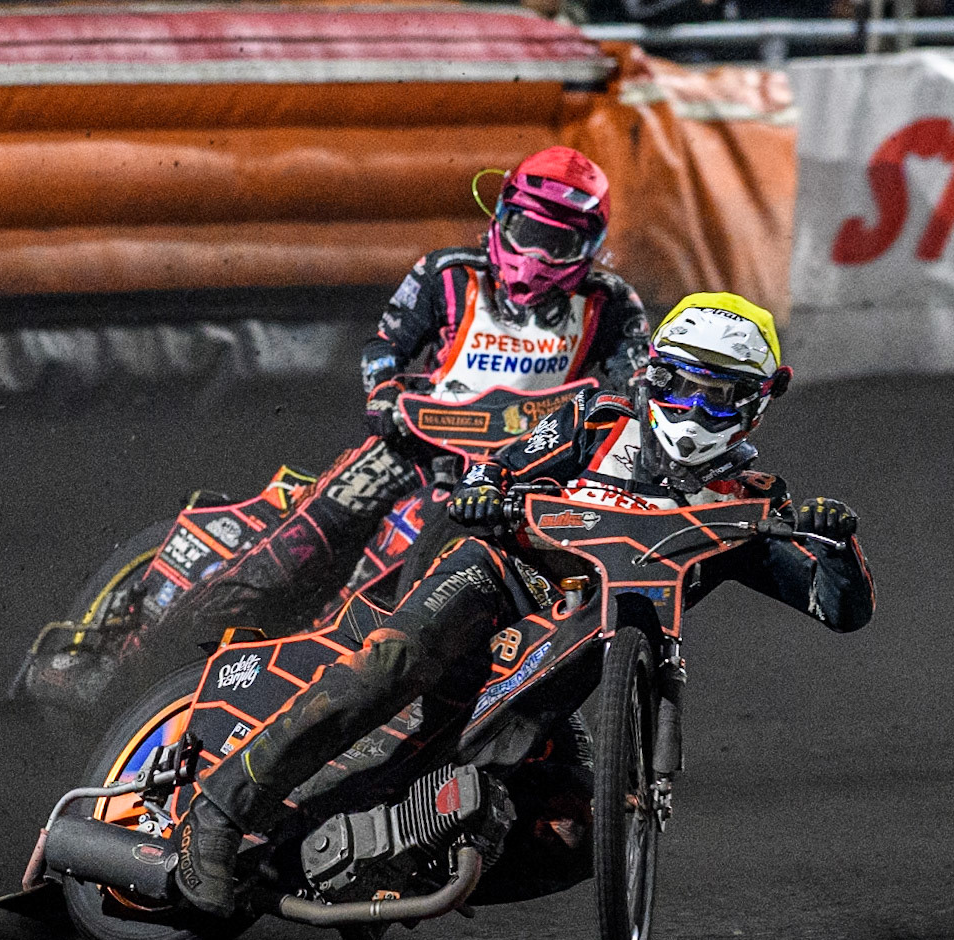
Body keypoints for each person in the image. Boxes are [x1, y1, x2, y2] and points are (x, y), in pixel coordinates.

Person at [170, 292, 875, 916]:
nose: (691, 413)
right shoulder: (594, 423)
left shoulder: (751, 504)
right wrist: (483, 488)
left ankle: (390, 876)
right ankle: (219, 811)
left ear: (755, 402)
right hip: (497, 580)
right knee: (396, 661)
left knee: (575, 834)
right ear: (652, 377)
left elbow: (839, 609)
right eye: (678, 387)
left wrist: (837, 546)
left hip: (566, 669)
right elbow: (496, 466)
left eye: (716, 398)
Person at [109, 146, 649, 699]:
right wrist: (385, 394)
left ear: (588, 250)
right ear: (500, 217)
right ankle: (133, 666)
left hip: (519, 471)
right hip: (415, 447)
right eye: (525, 231)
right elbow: (385, 344)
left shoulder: (612, 305)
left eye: (555, 242)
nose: (534, 255)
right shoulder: (446, 273)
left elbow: (638, 385)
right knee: (293, 554)